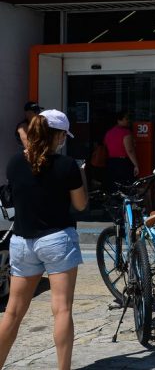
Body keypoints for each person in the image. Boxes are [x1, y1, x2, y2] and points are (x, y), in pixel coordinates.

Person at [0, 109, 87, 369]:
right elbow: (80, 205)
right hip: (57, 239)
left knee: (13, 312)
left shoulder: (14, 163)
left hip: (22, 242)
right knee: (61, 310)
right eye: (62, 136)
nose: (63, 141)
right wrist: (80, 174)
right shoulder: (66, 165)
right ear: (57, 135)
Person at [103, 110, 139, 191]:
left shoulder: (109, 133)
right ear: (119, 120)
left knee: (114, 187)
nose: (128, 121)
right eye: (126, 119)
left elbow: (106, 146)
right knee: (126, 187)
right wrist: (136, 165)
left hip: (111, 162)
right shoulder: (126, 132)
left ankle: (115, 203)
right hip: (123, 162)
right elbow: (129, 150)